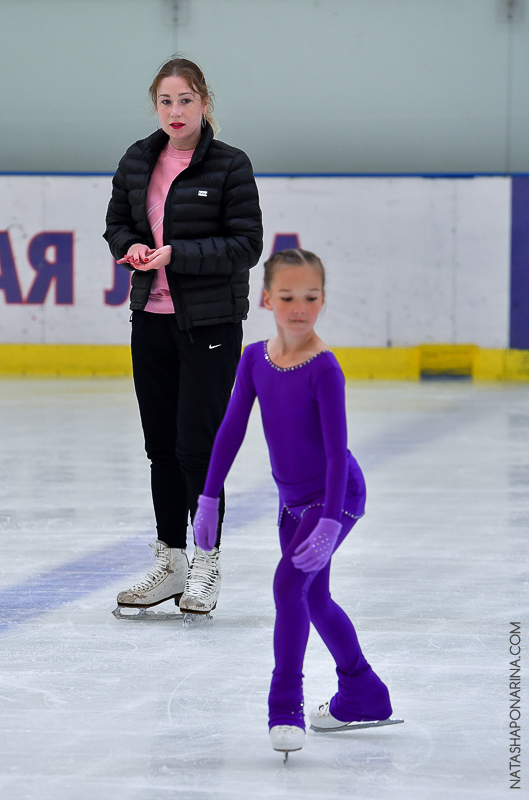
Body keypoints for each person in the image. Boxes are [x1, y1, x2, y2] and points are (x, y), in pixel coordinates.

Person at [193, 249, 396, 754]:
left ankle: (284, 706)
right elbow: (231, 428)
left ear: (323, 301)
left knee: (288, 587)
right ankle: (363, 693)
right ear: (267, 299)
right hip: (293, 503)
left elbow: (334, 452)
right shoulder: (254, 360)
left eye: (311, 297)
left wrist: (329, 522)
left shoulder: (324, 369)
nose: (299, 307)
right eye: (287, 297)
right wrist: (209, 496)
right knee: (314, 597)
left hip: (336, 495)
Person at [103, 57, 263, 615]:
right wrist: (131, 249)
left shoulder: (230, 165)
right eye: (167, 101)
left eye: (187, 100)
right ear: (157, 106)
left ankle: (205, 561)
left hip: (211, 325)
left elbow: (246, 245)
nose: (177, 111)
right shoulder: (137, 159)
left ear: (205, 104)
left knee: (200, 447)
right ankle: (170, 562)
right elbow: (116, 223)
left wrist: (179, 256)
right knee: (161, 448)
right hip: (151, 318)